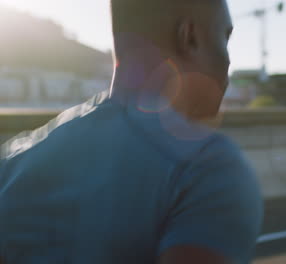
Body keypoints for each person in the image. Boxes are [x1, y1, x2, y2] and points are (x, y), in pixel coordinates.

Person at [0, 0, 264, 263]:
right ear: (189, 36)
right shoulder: (207, 168)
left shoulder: (14, 163)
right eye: (224, 38)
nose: (229, 61)